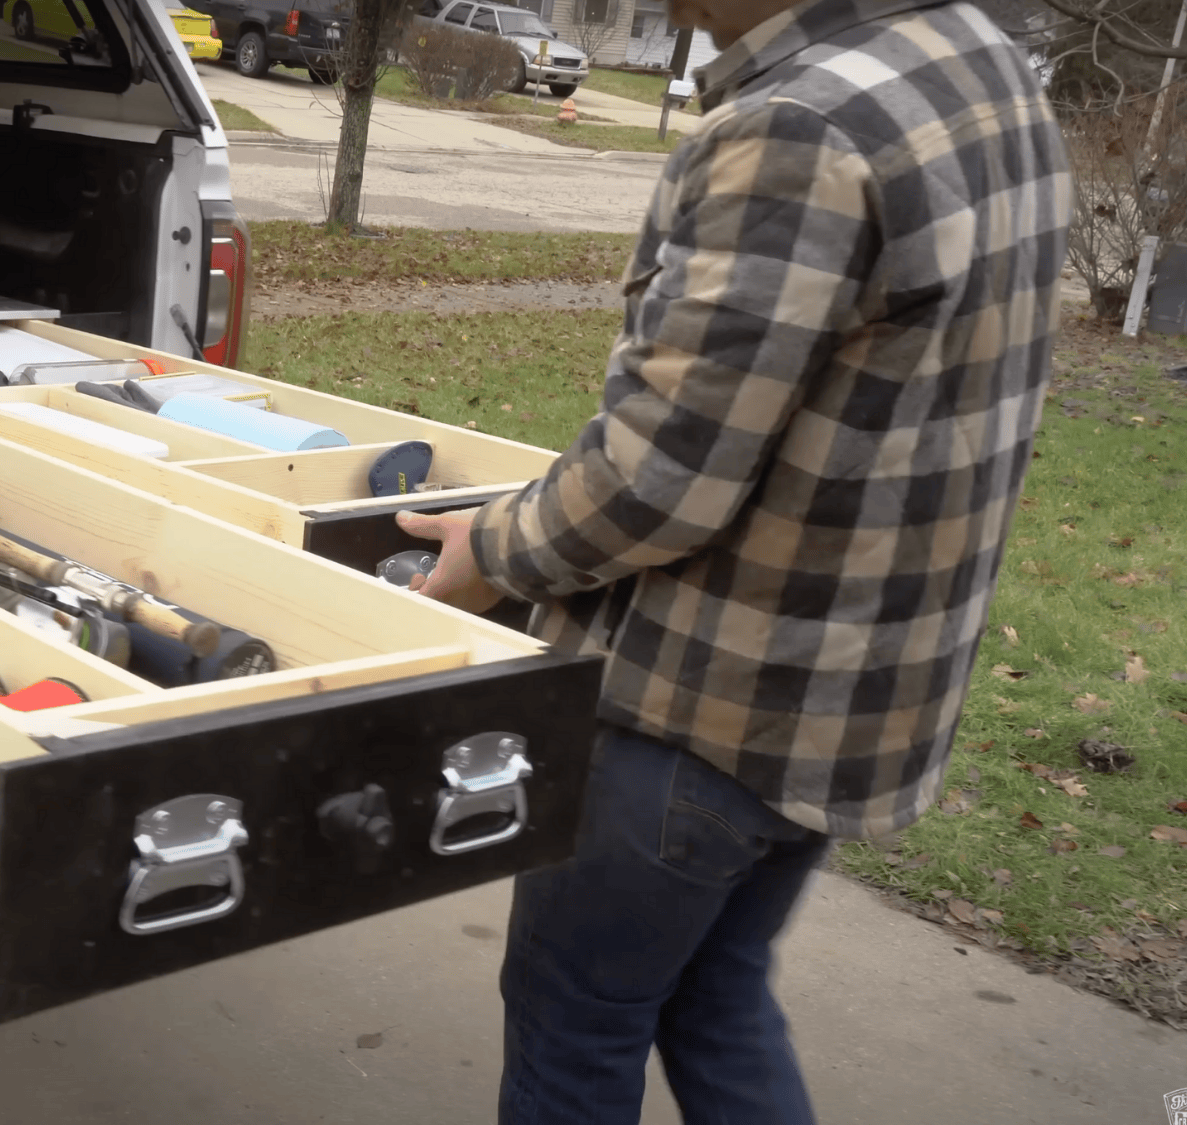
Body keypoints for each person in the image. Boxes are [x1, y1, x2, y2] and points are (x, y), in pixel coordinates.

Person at [397, 0, 1073, 1120]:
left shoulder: (799, 127)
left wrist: (493, 550)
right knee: (712, 993)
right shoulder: (970, 55)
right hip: (851, 710)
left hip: (697, 719)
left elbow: (655, 483)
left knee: (577, 1020)